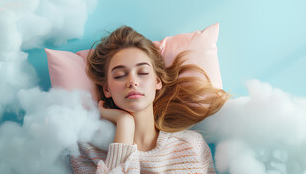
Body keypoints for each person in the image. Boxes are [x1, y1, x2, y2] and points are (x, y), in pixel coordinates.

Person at [70, 26, 230, 173]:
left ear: (157, 81)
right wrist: (124, 125)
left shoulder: (190, 145)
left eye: (143, 72)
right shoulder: (86, 150)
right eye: (120, 75)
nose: (132, 81)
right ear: (107, 89)